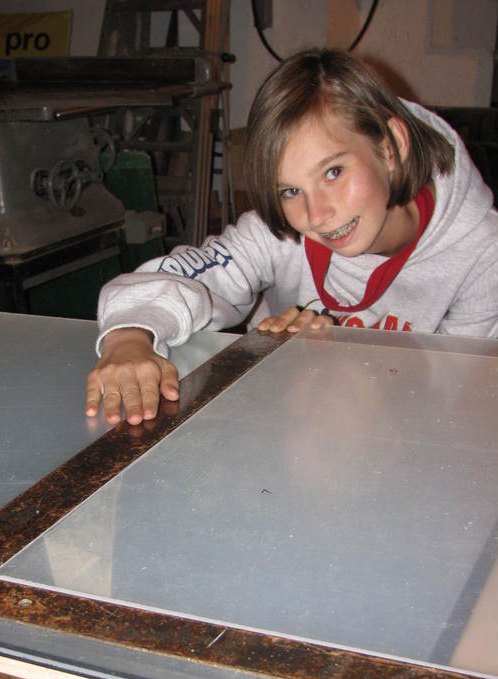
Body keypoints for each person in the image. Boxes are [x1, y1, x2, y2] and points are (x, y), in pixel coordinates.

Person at [86, 47, 498, 425]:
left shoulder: (482, 255)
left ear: (391, 148)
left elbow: (461, 402)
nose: (316, 215)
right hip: (286, 428)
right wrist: (130, 336)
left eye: (333, 172)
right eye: (290, 190)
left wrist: (341, 357)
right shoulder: (281, 231)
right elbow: (185, 278)